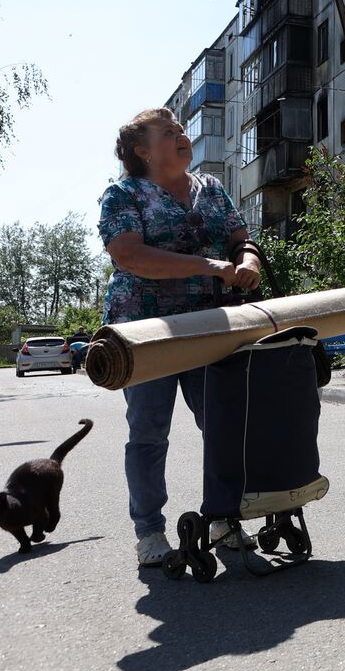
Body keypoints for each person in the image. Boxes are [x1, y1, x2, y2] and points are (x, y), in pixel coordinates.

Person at [97, 107, 264, 566]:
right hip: (146, 331)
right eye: (168, 132)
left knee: (223, 426)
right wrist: (207, 266)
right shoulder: (124, 193)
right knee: (149, 432)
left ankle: (224, 517)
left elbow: (239, 239)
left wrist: (247, 260)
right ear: (142, 151)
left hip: (211, 325)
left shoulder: (210, 188)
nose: (181, 136)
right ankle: (149, 533)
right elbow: (130, 255)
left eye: (181, 130)